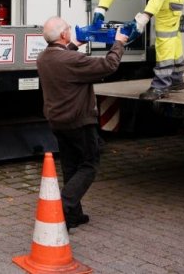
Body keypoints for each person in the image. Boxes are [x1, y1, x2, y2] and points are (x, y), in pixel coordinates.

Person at [36, 16, 127, 230]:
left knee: (71, 166)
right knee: (89, 164)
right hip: (78, 122)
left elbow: (62, 57)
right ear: (63, 34)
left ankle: (73, 216)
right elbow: (109, 65)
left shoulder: (43, 58)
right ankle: (62, 206)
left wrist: (74, 44)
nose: (70, 30)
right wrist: (119, 42)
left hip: (57, 122)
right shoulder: (72, 60)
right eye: (68, 28)